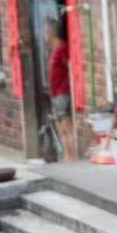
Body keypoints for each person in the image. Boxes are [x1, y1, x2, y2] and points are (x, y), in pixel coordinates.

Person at [45, 15, 76, 160]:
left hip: (62, 92)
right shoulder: (53, 50)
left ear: (51, 32)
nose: (44, 36)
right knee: (60, 127)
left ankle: (71, 156)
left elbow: (69, 66)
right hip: (55, 92)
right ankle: (66, 156)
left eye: (45, 32)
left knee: (66, 126)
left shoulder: (62, 47)